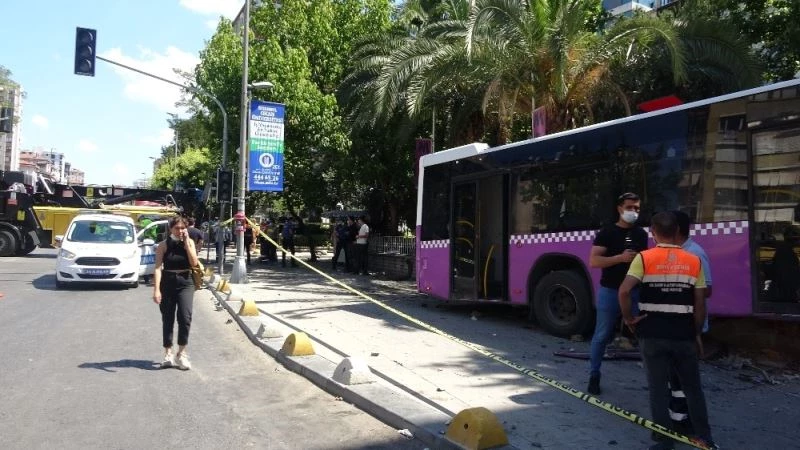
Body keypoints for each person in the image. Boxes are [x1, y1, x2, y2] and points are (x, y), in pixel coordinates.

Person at [619, 211, 717, 450]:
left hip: (652, 334)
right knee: (693, 388)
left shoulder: (643, 258)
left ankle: (664, 441)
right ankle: (704, 437)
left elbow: (623, 292)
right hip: (683, 335)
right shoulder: (694, 260)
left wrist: (630, 319)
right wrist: (695, 333)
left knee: (657, 390)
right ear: (676, 232)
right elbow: (701, 302)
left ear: (653, 232)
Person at [587, 192, 648, 395]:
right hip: (610, 291)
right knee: (602, 335)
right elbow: (594, 261)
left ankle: (654, 379)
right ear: (620, 209)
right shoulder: (607, 232)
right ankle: (594, 376)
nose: (634, 212)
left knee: (644, 335)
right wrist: (620, 258)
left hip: (635, 291)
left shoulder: (641, 234)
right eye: (630, 207)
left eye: (637, 208)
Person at [669, 211, 714, 434]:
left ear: (675, 230)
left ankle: (687, 423)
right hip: (676, 325)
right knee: (676, 377)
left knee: (685, 378)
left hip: (688, 326)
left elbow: (707, 291)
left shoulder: (695, 254)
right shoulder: (675, 253)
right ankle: (679, 417)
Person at [152, 216, 200, 371]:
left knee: (185, 317)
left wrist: (186, 243)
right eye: (176, 228)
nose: (179, 231)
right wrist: (156, 289)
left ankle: (182, 352)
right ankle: (168, 353)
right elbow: (158, 268)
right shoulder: (163, 245)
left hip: (186, 282)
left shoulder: (189, 242)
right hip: (168, 282)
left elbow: (194, 263)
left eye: (182, 228)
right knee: (168, 318)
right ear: (170, 229)